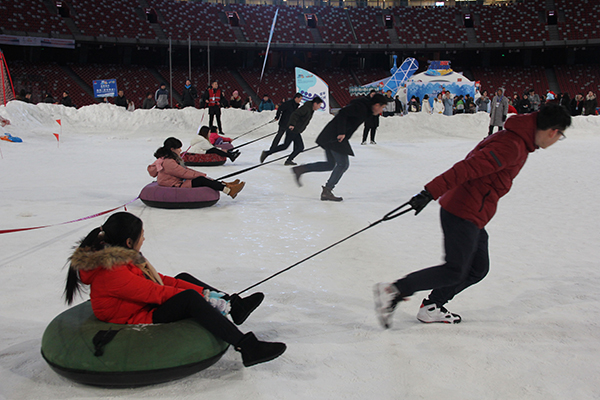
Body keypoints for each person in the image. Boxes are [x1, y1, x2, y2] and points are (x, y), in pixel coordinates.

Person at [373, 104, 572, 329]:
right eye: (560, 136)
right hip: (463, 211)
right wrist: (430, 192)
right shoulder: (512, 145)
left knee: (478, 268)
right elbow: (467, 168)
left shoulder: (518, 140)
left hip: (474, 212)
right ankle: (393, 290)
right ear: (553, 131)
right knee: (454, 270)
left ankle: (432, 306)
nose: (557, 140)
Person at [64, 212, 286, 368]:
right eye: (142, 235)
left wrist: (208, 295)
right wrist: (203, 297)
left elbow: (158, 280)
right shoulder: (113, 271)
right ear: (129, 242)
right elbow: (156, 293)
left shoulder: (120, 257)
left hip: (138, 303)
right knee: (188, 298)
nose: (145, 238)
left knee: (181, 279)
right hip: (133, 315)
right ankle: (247, 347)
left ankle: (234, 306)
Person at [291, 94, 388, 202]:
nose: (381, 110)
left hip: (332, 136)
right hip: (335, 136)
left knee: (330, 164)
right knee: (343, 164)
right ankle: (327, 190)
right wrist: (341, 132)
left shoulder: (366, 108)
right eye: (382, 107)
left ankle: (301, 169)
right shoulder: (361, 107)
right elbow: (342, 114)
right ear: (376, 104)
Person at [148, 137, 245, 198]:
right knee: (201, 180)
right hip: (174, 184)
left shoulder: (170, 159)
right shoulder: (168, 162)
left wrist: (200, 174)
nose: (180, 150)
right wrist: (201, 175)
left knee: (202, 178)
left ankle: (227, 185)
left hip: (177, 181)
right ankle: (228, 191)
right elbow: (183, 173)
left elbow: (185, 170)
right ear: (172, 149)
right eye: (178, 148)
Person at [260, 96, 323, 166]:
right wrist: (292, 124)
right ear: (315, 103)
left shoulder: (310, 109)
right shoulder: (306, 108)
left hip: (296, 130)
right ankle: (286, 159)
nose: (319, 107)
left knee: (289, 146)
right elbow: (295, 114)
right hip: (293, 130)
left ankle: (271, 154)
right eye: (319, 105)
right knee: (299, 147)